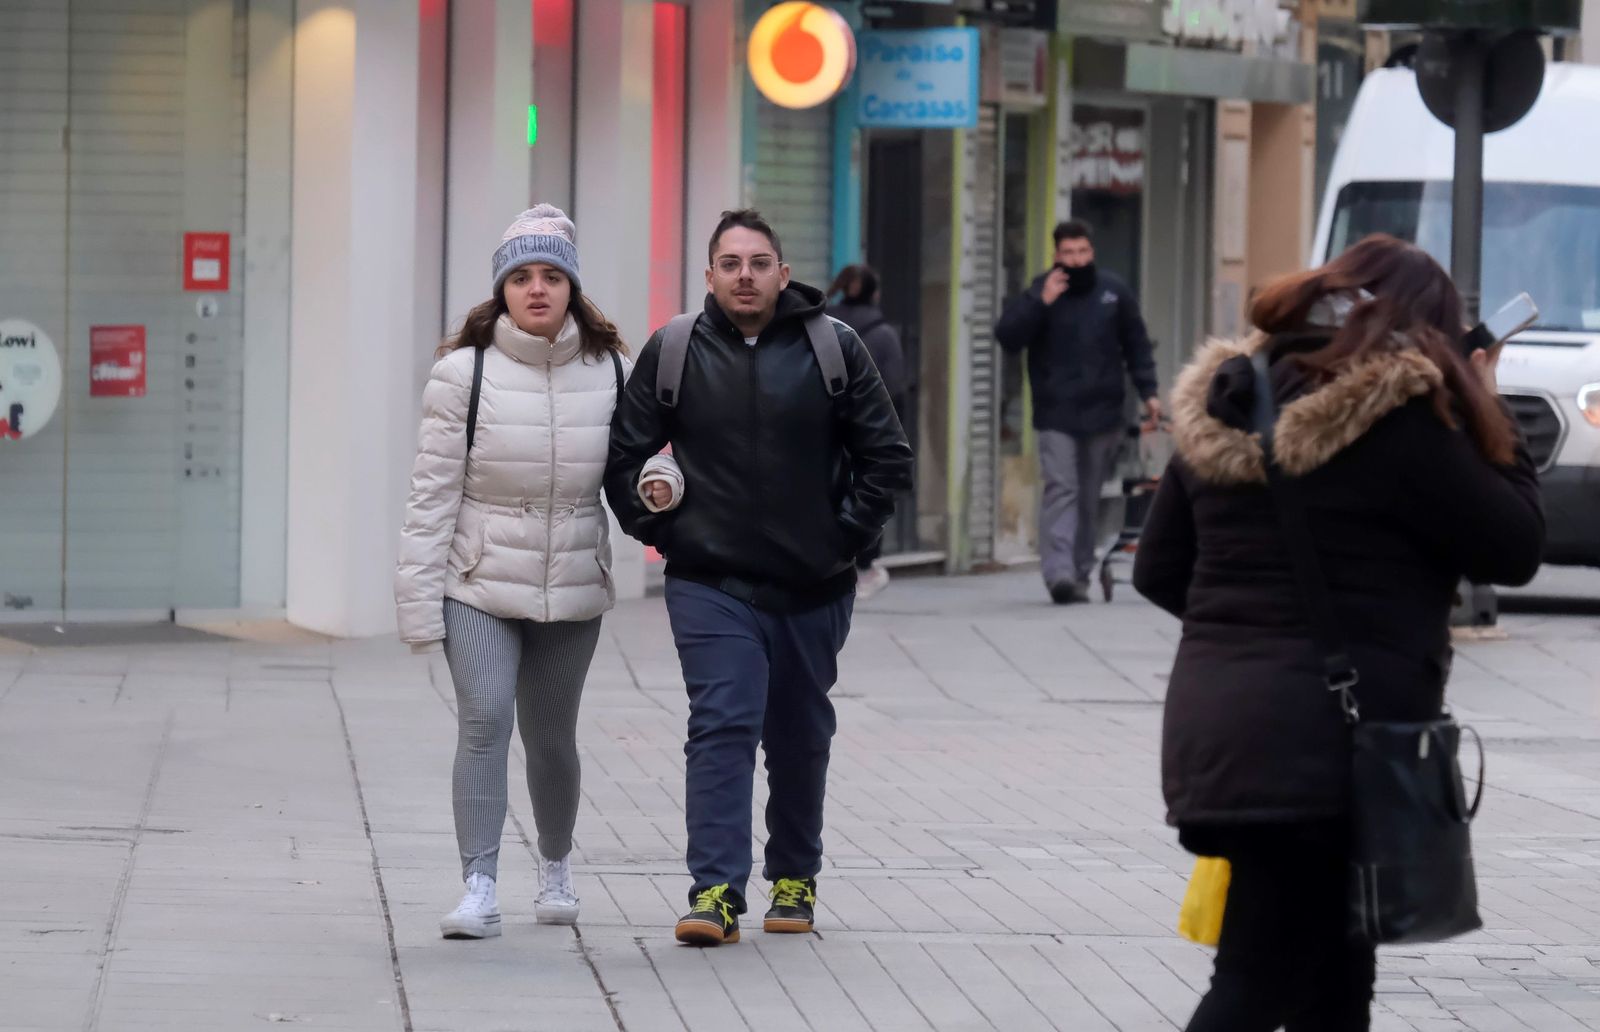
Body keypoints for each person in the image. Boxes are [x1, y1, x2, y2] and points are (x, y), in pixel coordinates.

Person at [1132, 234, 1544, 1031]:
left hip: (1224, 730)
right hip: (1329, 749)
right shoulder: (1401, 423)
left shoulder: (1233, 397)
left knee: (1335, 978)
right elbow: (1516, 547)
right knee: (1256, 981)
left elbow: (1157, 569)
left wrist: (1246, 645)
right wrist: (1487, 402)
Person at [606, 209, 913, 947]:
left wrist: (842, 539)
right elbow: (623, 457)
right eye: (731, 263)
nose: (745, 276)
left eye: (759, 263)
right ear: (709, 275)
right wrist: (665, 533)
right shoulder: (674, 350)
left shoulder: (834, 348)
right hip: (710, 583)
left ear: (783, 273)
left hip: (814, 586)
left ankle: (794, 876)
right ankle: (714, 891)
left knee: (798, 735)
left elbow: (887, 457)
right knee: (722, 723)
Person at [395, 204, 639, 939]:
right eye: (522, 276)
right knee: (484, 720)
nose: (537, 288)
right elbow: (431, 496)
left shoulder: (614, 373)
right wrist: (418, 604)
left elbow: (641, 470)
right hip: (478, 582)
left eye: (551, 276)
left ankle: (556, 867)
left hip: (572, 584)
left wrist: (664, 485)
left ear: (572, 288)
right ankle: (479, 886)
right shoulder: (462, 374)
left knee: (551, 735)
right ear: (501, 288)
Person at [995, 219, 1161, 604]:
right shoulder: (1042, 290)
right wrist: (1041, 302)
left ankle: (1080, 570)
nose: (1076, 260)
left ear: (1092, 252)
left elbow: (1137, 345)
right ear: (1056, 255)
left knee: (1088, 497)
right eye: (1068, 253)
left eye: (1082, 252)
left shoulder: (1113, 292)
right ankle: (1059, 574)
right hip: (1055, 412)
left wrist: (1150, 393)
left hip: (1104, 412)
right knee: (1061, 489)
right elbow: (1008, 336)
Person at [827, 263, 910, 600]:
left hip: (824, 429)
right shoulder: (884, 334)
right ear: (875, 294)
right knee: (868, 491)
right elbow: (895, 390)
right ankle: (863, 566)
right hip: (866, 434)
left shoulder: (822, 328)